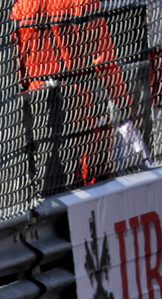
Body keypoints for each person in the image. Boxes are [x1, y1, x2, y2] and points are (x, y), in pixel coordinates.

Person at [11, 0, 145, 192]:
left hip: (37, 99)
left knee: (46, 179)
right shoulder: (81, 1)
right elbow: (103, 59)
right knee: (93, 180)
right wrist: (123, 103)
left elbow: (17, 64)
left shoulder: (20, 6)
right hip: (80, 97)